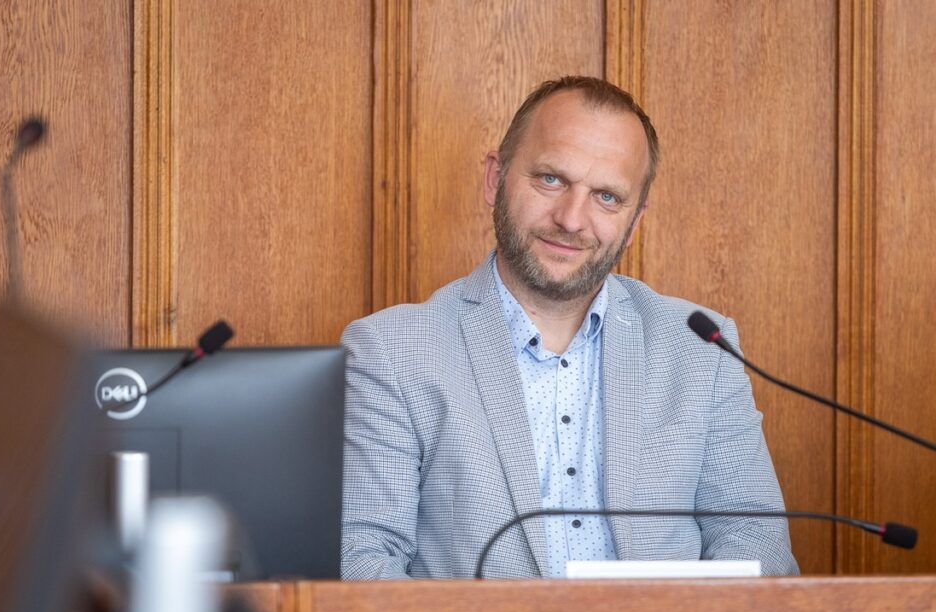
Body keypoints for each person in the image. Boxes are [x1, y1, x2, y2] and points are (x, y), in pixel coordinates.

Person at [341, 76, 798, 580]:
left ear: (634, 221)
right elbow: (361, 558)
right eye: (551, 180)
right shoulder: (391, 350)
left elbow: (757, 542)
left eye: (606, 197)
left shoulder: (700, 347)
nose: (572, 219)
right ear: (495, 178)